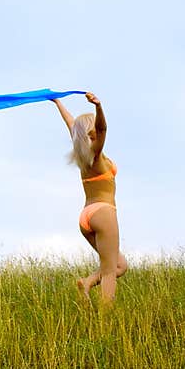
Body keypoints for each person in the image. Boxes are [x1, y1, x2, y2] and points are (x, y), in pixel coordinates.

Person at [51, 92, 127, 308]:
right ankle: (105, 322)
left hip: (86, 216)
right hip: (104, 213)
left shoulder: (82, 153)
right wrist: (99, 106)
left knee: (120, 265)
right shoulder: (94, 152)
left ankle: (87, 283)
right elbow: (103, 128)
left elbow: (71, 124)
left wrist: (58, 102)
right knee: (111, 271)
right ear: (92, 131)